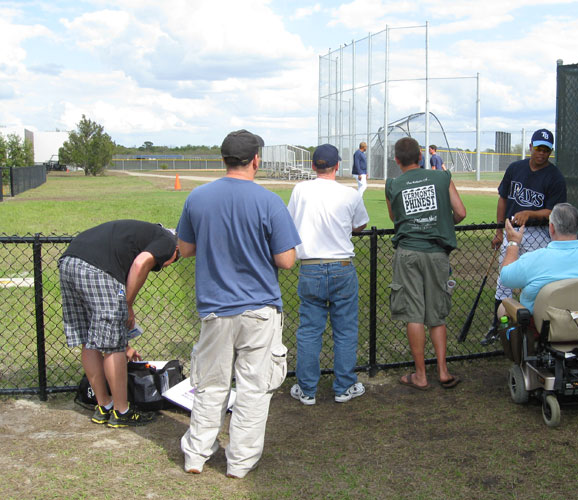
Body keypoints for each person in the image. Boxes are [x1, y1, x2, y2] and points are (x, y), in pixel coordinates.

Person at [177, 129, 301, 478]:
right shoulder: (269, 201)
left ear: (224, 159)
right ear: (256, 160)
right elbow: (286, 260)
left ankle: (196, 455)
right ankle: (240, 462)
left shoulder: (198, 197)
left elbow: (185, 248)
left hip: (215, 310)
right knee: (253, 388)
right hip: (259, 310)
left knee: (210, 385)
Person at [58, 220, 179, 428]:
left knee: (90, 339)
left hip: (69, 262)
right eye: (173, 260)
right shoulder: (169, 240)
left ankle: (104, 404)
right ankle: (122, 411)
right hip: (96, 269)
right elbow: (141, 263)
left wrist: (126, 344)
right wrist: (128, 305)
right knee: (112, 347)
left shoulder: (138, 236)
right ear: (177, 247)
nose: (166, 265)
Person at [287, 144, 370, 405]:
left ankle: (307, 389)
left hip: (310, 267)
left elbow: (290, 221)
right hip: (341, 266)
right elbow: (360, 224)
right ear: (337, 166)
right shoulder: (349, 194)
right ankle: (344, 386)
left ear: (313, 166)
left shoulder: (301, 190)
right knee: (344, 330)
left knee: (310, 330)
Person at [385, 136, 466, 390]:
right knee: (437, 314)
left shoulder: (393, 184)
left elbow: (394, 217)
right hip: (436, 253)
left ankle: (420, 375)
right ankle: (442, 371)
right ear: (420, 156)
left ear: (397, 160)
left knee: (414, 313)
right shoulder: (442, 177)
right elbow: (461, 213)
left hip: (408, 253)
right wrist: (439, 223)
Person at [485, 128, 566, 343]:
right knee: (504, 280)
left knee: (537, 283)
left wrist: (530, 213)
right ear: (530, 147)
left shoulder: (555, 177)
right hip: (512, 231)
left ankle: (534, 327)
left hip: (539, 233)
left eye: (546, 150)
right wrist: (499, 231)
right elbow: (503, 198)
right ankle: (498, 326)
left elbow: (553, 212)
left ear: (550, 151)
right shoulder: (515, 169)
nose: (541, 153)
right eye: (538, 148)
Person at [500, 203, 578, 314]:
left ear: (551, 227)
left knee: (502, 308)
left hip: (542, 331)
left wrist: (513, 243)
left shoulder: (533, 259)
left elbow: (506, 278)